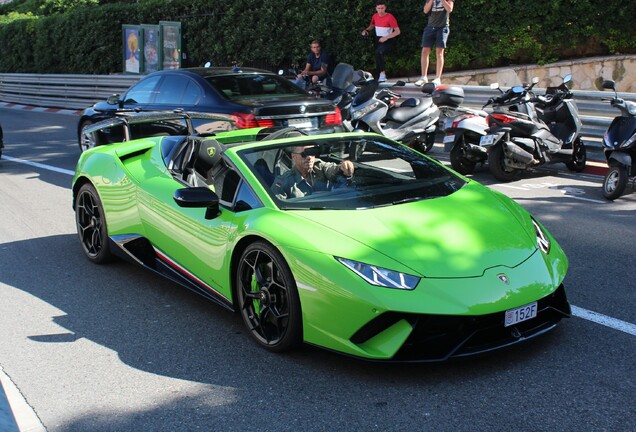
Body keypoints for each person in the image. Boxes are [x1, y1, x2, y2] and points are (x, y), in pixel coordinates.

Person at [272, 145, 354, 199]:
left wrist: (344, 167)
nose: (309, 158)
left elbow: (333, 169)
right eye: (304, 154)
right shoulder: (283, 182)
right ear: (294, 157)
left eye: (312, 153)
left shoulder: (319, 166)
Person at [415, 0, 454, 86]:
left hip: (442, 27)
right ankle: (423, 77)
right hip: (430, 27)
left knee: (439, 51)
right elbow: (425, 10)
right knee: (425, 51)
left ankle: (437, 78)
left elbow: (449, 9)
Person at [361, 1, 400, 82]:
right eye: (379, 8)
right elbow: (372, 25)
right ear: (376, 9)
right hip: (378, 39)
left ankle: (383, 74)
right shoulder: (375, 16)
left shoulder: (390, 17)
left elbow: (397, 31)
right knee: (377, 55)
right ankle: (379, 75)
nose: (380, 10)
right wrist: (366, 30)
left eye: (382, 8)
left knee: (379, 52)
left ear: (385, 8)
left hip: (388, 39)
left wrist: (386, 37)